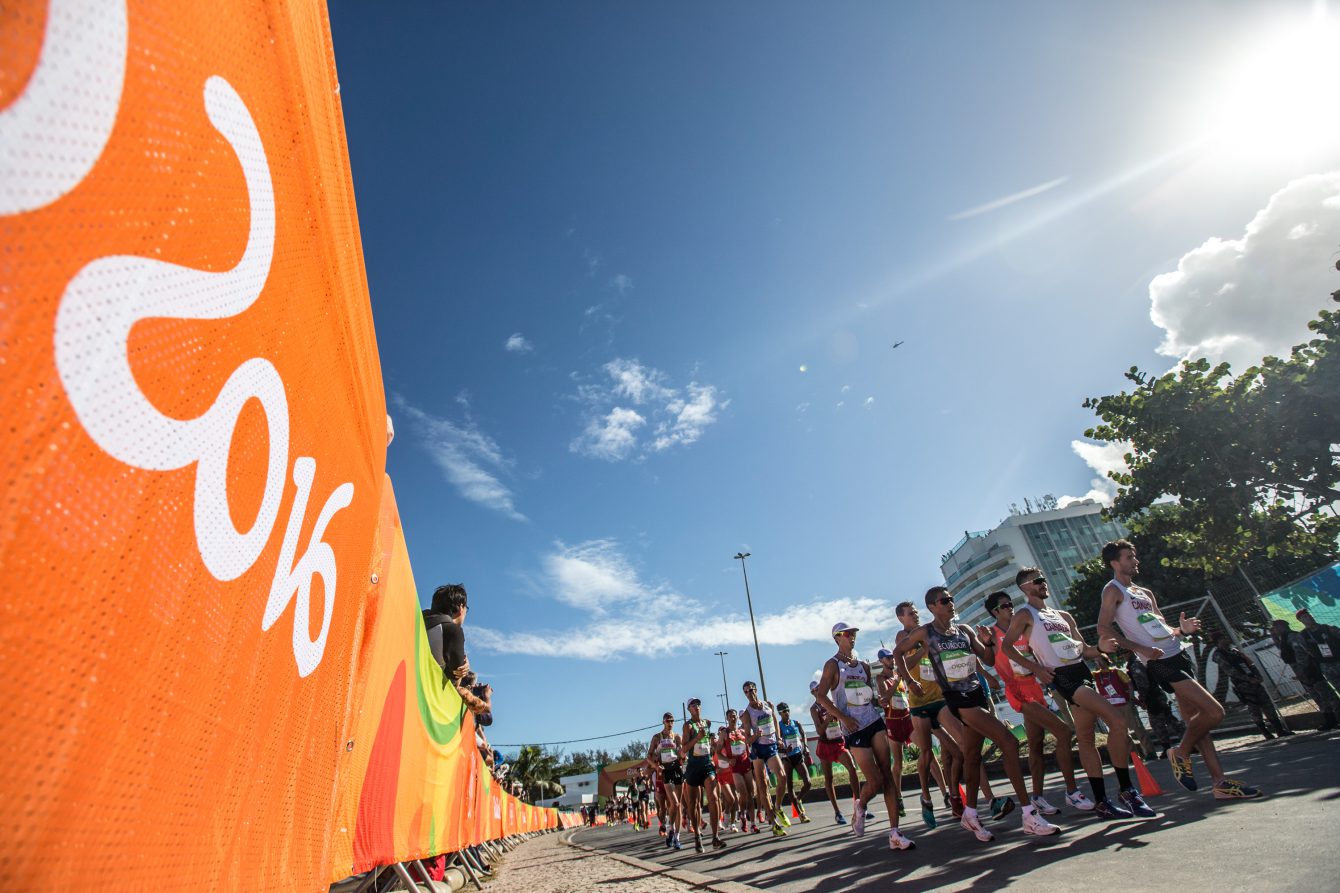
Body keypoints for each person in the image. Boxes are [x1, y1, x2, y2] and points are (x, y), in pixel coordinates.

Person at [1098, 540, 1260, 800]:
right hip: (1159, 661)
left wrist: (1181, 630)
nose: (1135, 561)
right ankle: (1181, 753)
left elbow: (1163, 627)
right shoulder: (1113, 590)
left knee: (1198, 721)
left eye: (1135, 556)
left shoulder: (1144, 593)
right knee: (1214, 712)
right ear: (1115, 563)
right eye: (1129, 557)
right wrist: (1141, 649)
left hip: (1178, 652)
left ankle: (1220, 784)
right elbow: (1104, 629)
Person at [896, 589, 1058, 842]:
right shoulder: (925, 632)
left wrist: (988, 642)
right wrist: (909, 682)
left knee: (971, 756)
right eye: (944, 601)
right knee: (1009, 742)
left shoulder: (965, 631)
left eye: (951, 599)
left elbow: (988, 659)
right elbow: (897, 654)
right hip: (957, 700)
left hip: (976, 694)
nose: (951, 603)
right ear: (931, 607)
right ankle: (1029, 814)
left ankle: (970, 814)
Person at [1002, 571, 1147, 820]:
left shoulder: (1063, 616)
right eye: (1037, 581)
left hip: (1081, 672)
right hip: (1063, 677)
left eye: (1043, 579)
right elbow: (1006, 647)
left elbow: (1084, 650)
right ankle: (1127, 790)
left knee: (1086, 737)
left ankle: (1102, 801)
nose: (1043, 583)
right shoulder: (1025, 615)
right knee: (1118, 721)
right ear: (1025, 588)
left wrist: (1100, 649)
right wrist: (1037, 668)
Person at [981, 588, 1090, 814]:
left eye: (1011, 604)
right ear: (994, 612)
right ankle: (1072, 792)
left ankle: (1038, 797)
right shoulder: (991, 634)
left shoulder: (1024, 629)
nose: (1010, 608)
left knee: (1036, 744)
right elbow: (988, 660)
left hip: (1036, 688)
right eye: (1004, 606)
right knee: (1063, 731)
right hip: (1017, 691)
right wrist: (987, 645)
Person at [815, 622, 915, 850]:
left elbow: (867, 694)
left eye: (854, 634)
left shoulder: (863, 666)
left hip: (873, 720)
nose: (851, 637)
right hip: (853, 728)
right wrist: (843, 718)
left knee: (887, 776)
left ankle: (895, 833)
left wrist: (876, 701)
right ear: (836, 638)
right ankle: (860, 805)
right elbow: (821, 696)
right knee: (875, 780)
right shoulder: (832, 665)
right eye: (847, 634)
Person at [895, 601, 961, 828]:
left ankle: (953, 795)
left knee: (957, 750)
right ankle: (926, 796)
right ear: (901, 618)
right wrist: (922, 650)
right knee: (925, 754)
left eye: (915, 612)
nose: (915, 616)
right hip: (918, 704)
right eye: (910, 614)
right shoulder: (903, 637)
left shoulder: (928, 634)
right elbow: (904, 660)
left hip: (939, 698)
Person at [1210, 632, 1292, 740]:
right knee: (1254, 708)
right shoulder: (1219, 654)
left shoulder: (1234, 651)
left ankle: (1279, 730)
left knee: (1267, 705)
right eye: (1224, 638)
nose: (1227, 639)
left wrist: (1257, 675)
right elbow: (1230, 670)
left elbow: (1249, 663)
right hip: (1243, 684)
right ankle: (1266, 732)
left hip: (1254, 680)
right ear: (1219, 641)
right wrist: (1248, 679)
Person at [808, 681, 865, 825]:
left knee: (852, 768)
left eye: (819, 688)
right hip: (825, 744)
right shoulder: (814, 709)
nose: (818, 691)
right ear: (812, 693)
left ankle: (859, 806)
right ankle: (837, 812)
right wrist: (827, 719)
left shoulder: (833, 702)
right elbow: (820, 731)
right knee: (829, 778)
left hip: (838, 742)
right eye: (814, 690)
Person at [740, 681, 790, 836]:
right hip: (758, 749)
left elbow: (774, 720)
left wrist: (779, 738)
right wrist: (756, 735)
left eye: (751, 690)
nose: (749, 693)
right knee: (762, 785)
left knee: (782, 777)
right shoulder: (747, 714)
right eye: (746, 692)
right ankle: (774, 823)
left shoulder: (768, 705)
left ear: (756, 690)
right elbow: (747, 739)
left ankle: (778, 807)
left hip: (771, 745)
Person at [1272, 619, 1340, 730]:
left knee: (1326, 694)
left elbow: (1301, 653)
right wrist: (1274, 638)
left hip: (1309, 670)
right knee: (1317, 696)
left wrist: (1302, 670)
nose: (1274, 631)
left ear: (1280, 626)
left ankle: (1335, 717)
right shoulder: (1284, 638)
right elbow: (1284, 652)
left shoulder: (1292, 636)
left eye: (1275, 628)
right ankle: (1330, 719)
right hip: (1304, 672)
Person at [682, 698, 727, 852]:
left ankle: (715, 837)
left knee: (714, 798)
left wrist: (714, 746)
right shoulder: (687, 726)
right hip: (694, 766)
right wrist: (697, 738)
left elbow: (708, 742)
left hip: (707, 764)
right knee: (694, 805)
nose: (697, 707)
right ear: (689, 709)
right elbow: (683, 749)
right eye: (693, 705)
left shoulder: (707, 723)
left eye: (698, 704)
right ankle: (697, 836)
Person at [875, 649, 913, 820]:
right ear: (882, 661)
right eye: (888, 658)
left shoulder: (899, 675)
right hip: (893, 721)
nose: (892, 660)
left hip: (907, 717)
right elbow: (884, 698)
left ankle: (945, 793)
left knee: (926, 750)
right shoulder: (881, 678)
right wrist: (897, 679)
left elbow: (905, 696)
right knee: (898, 762)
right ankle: (898, 798)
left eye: (892, 657)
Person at [648, 712, 685, 850]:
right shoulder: (657, 737)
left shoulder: (676, 737)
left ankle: (676, 836)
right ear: (663, 722)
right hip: (665, 771)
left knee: (678, 805)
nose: (670, 723)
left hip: (676, 769)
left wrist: (683, 756)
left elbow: (681, 753)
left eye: (672, 721)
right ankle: (670, 828)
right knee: (673, 803)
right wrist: (656, 766)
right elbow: (649, 756)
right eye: (668, 721)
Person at [719, 708, 761, 833]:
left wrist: (756, 736)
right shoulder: (724, 733)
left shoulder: (742, 731)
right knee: (742, 793)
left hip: (746, 764)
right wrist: (727, 760)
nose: (733, 718)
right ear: (727, 718)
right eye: (731, 716)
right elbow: (717, 752)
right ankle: (742, 813)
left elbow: (748, 742)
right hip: (735, 767)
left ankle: (753, 823)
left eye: (735, 716)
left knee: (751, 793)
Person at [424, 583, 470, 684]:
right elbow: (454, 682)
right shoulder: (453, 631)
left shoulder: (420, 620)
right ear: (461, 607)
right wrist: (464, 668)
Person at [776, 703, 813, 822]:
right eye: (783, 711)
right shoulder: (779, 727)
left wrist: (806, 746)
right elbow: (777, 746)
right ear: (780, 713)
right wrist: (785, 750)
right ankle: (801, 814)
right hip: (786, 757)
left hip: (797, 755)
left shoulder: (796, 723)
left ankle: (798, 799)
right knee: (790, 785)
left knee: (808, 782)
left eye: (787, 710)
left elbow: (803, 733)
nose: (786, 713)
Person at [1297, 609, 1340, 689]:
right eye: (1305, 617)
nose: (1309, 617)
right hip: (1326, 665)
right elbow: (1307, 651)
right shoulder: (1303, 636)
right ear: (1301, 620)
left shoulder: (1328, 628)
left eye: (1309, 615)